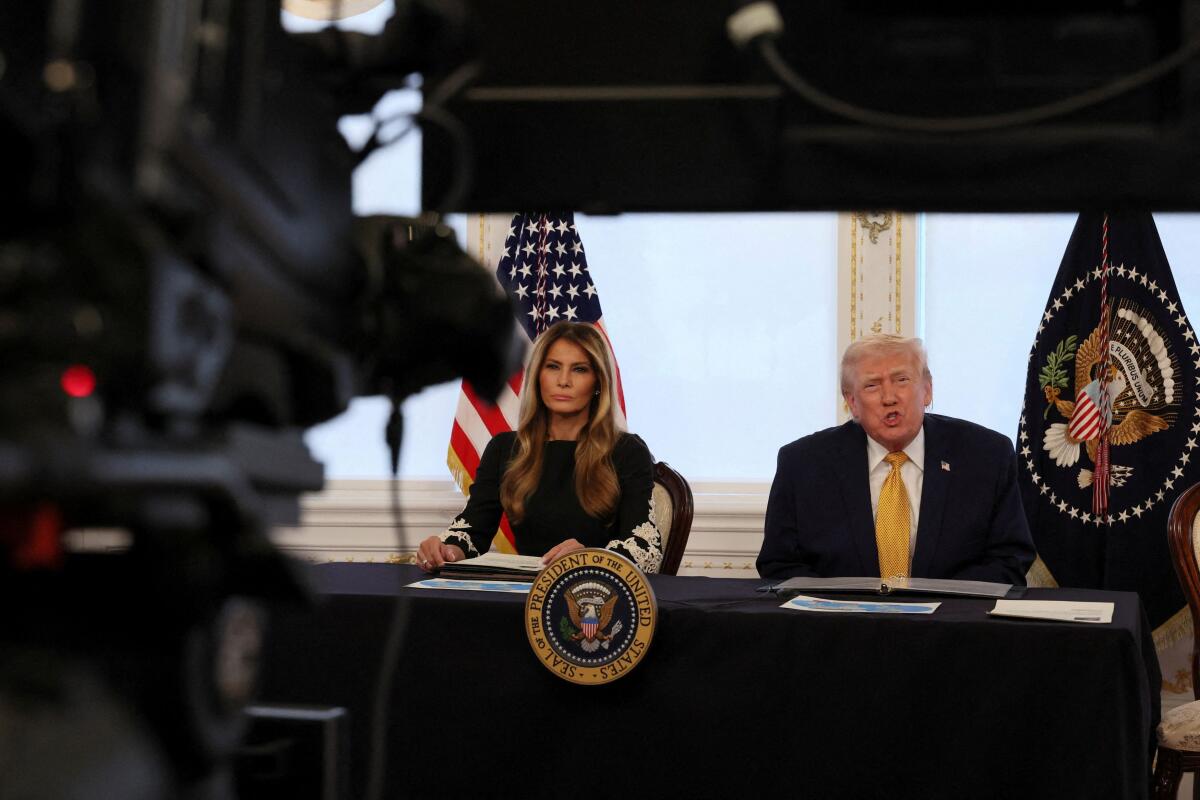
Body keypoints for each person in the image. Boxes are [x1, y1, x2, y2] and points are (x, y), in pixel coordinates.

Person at [757, 334, 1035, 584]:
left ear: (927, 390)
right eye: (872, 385)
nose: (889, 397)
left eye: (902, 380)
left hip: (950, 628)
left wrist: (936, 602)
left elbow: (1009, 559)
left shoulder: (986, 456)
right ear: (851, 401)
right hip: (842, 629)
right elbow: (779, 563)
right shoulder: (803, 464)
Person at [416, 321, 663, 573]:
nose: (564, 380)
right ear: (537, 376)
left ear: (598, 381)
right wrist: (446, 550)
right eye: (553, 367)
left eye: (579, 369)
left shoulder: (627, 451)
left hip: (598, 592)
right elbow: (473, 529)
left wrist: (590, 557)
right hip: (522, 595)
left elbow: (644, 548)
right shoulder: (504, 448)